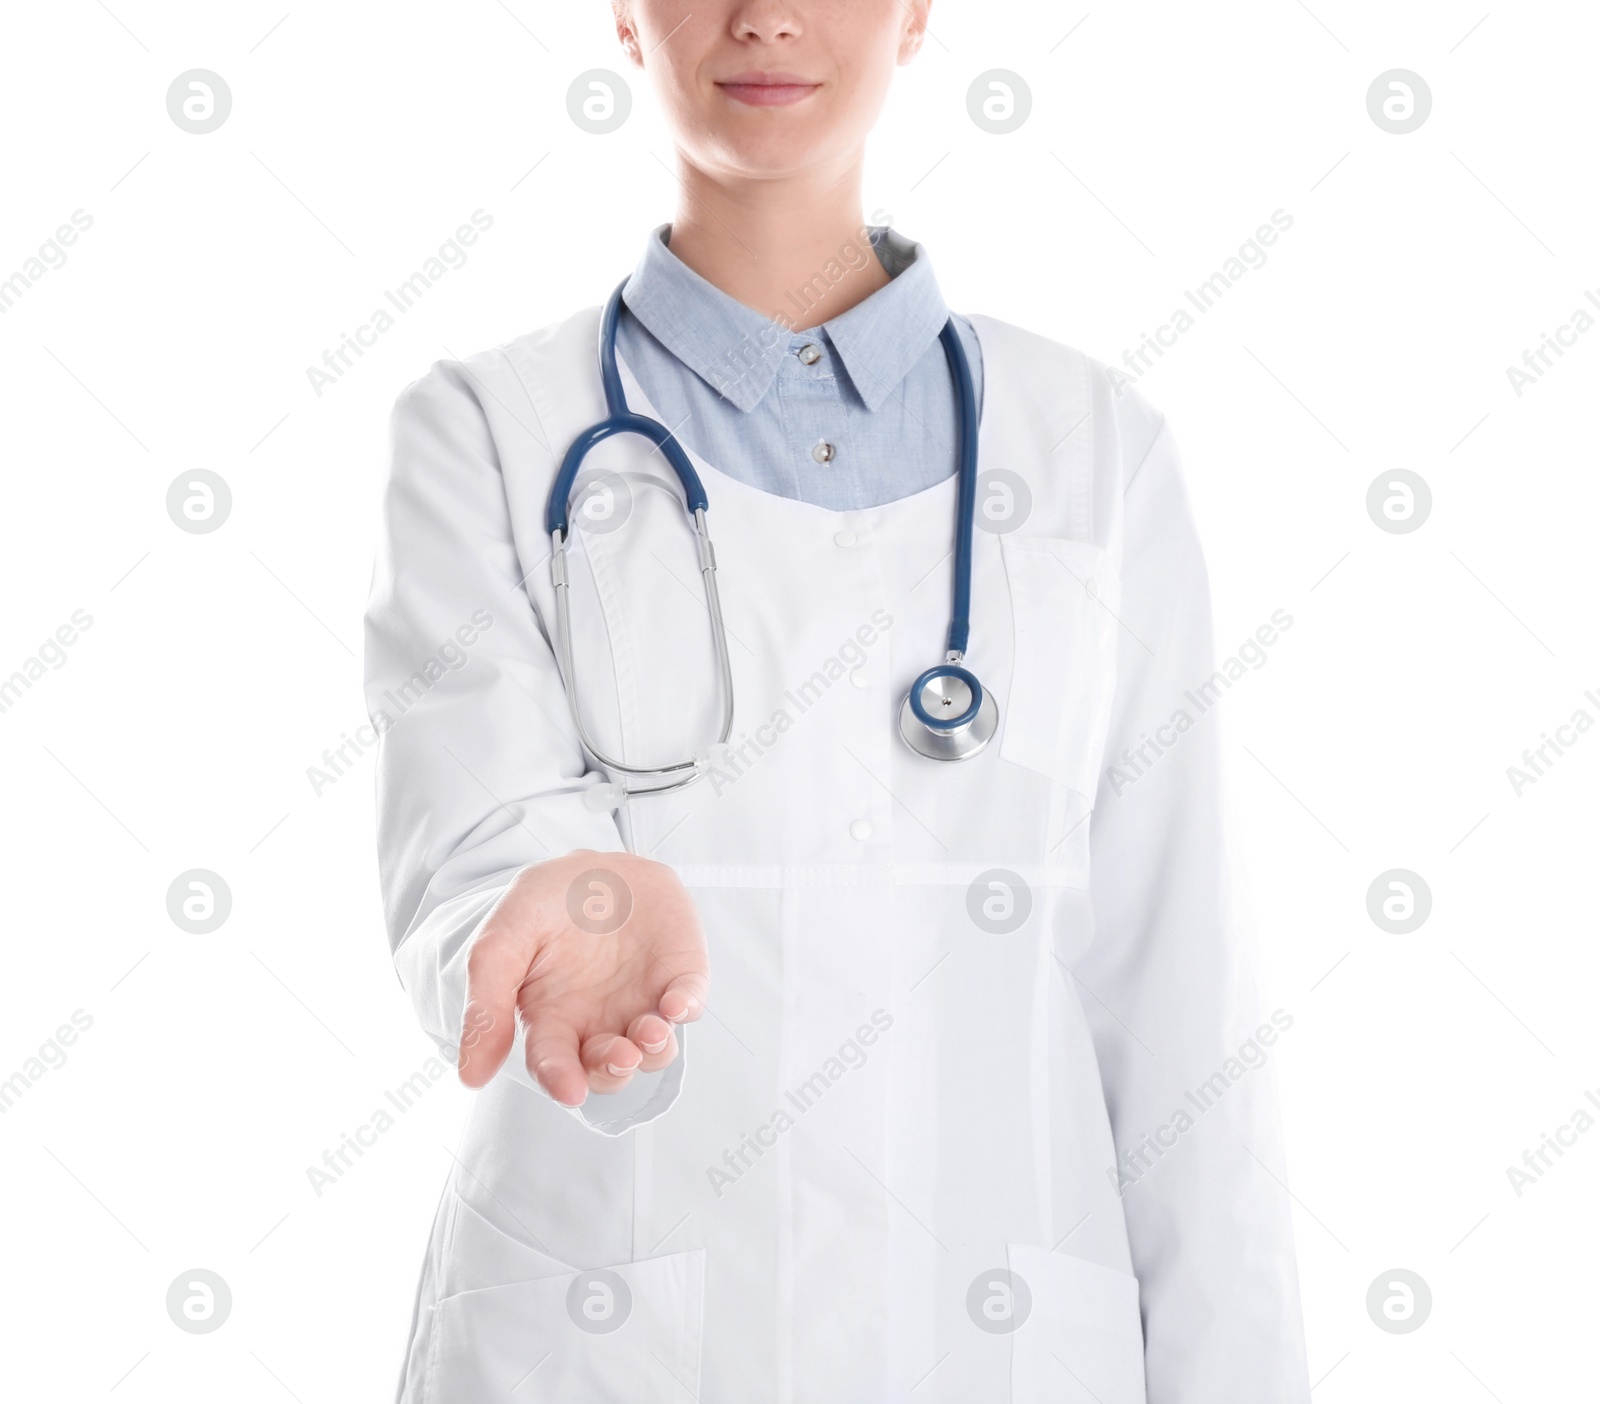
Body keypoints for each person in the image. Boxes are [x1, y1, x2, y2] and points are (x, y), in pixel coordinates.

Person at [362, 2, 1312, 1400]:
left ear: (920, 11)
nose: (767, 17)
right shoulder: (486, 430)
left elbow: (1182, 1013)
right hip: (604, 1338)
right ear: (624, 13)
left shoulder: (1098, 452)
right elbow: (473, 842)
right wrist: (561, 907)